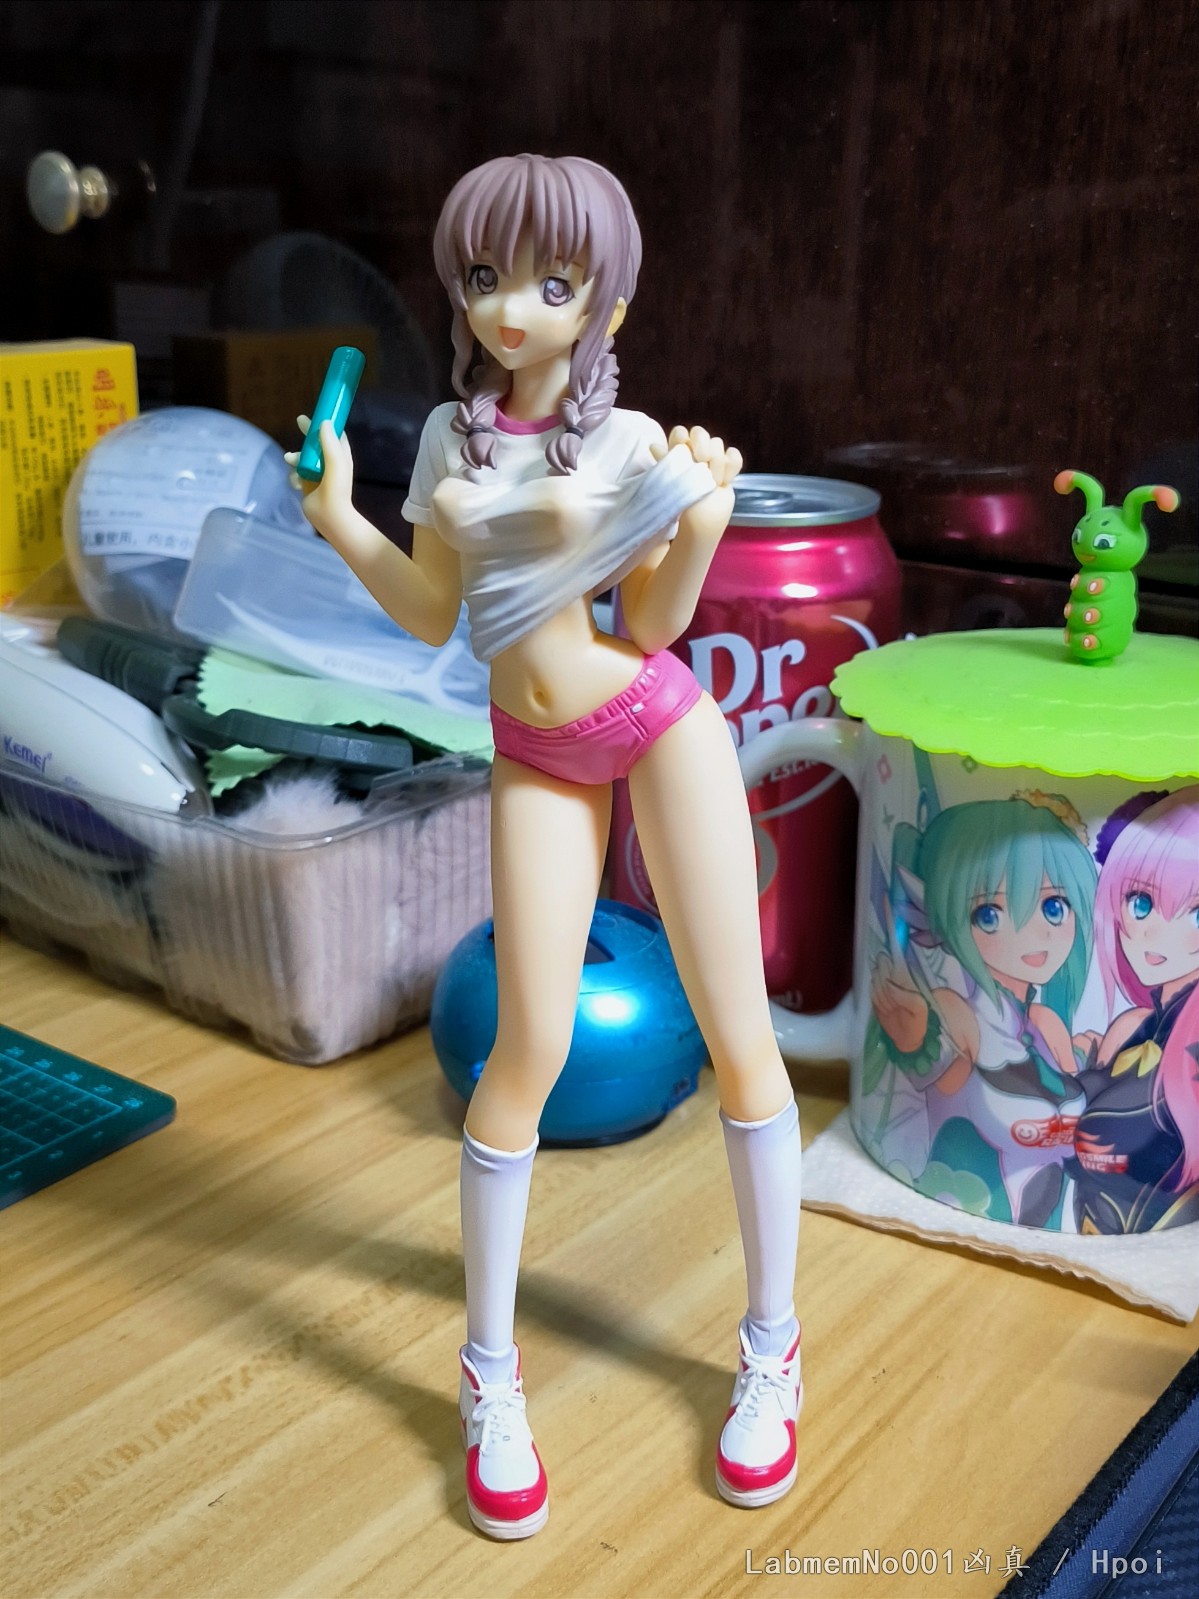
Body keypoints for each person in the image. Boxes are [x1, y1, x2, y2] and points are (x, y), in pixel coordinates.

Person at [288, 154, 804, 1539]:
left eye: (552, 282)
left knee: (737, 1036)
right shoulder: (449, 440)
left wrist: (699, 521)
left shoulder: (625, 444)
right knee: (522, 1053)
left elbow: (655, 628)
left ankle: (771, 1347)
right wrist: (338, 518)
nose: (511, 308)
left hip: (651, 723)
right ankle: (487, 1375)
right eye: (484, 277)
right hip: (529, 752)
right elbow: (429, 612)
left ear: (604, 306)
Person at [870, 794, 1096, 1228]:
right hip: (961, 1224)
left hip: (1049, 1235)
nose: (1033, 934)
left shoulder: (1046, 1027)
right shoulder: (962, 1014)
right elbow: (929, 1053)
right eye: (989, 914)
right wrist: (913, 1040)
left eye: (1053, 908)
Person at [1067, 786, 1199, 1233]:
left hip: (1151, 1243)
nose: (1154, 935)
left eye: (1196, 914)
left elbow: (1113, 1144)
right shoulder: (1143, 1024)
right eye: (1141, 903)